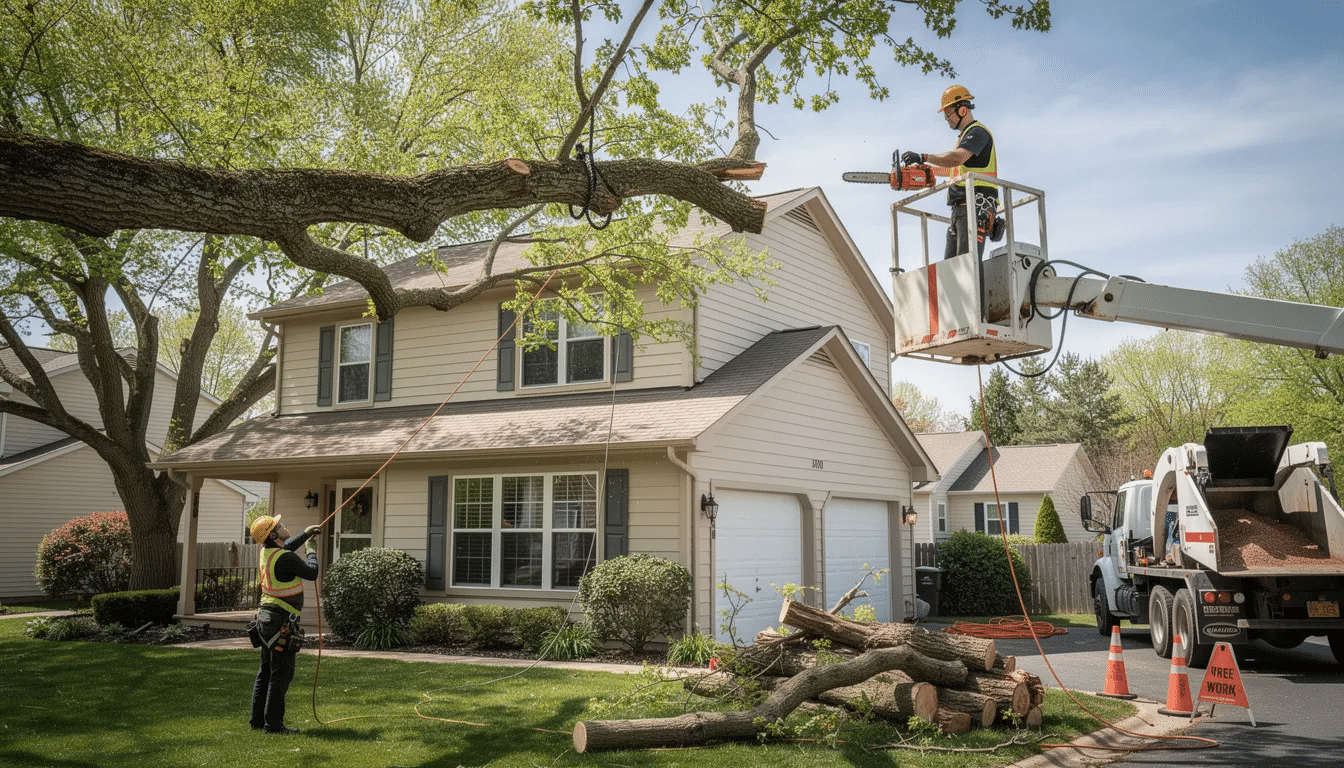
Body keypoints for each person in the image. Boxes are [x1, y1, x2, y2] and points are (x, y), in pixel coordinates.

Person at [902, 85, 999, 260]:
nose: (946, 119)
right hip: (960, 210)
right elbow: (954, 168)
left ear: (962, 110)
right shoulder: (963, 138)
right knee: (951, 267)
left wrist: (924, 157)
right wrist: (928, 171)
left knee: (968, 266)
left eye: (948, 114)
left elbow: (956, 159)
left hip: (975, 207)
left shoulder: (978, 133)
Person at [248, 514, 321, 735]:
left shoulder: (267, 553)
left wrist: (305, 534)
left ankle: (257, 721)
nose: (283, 525)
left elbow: (287, 546)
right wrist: (311, 549)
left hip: (266, 619)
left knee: (266, 672)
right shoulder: (285, 558)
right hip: (281, 622)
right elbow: (311, 572)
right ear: (272, 535)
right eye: (278, 525)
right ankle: (274, 726)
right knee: (281, 674)